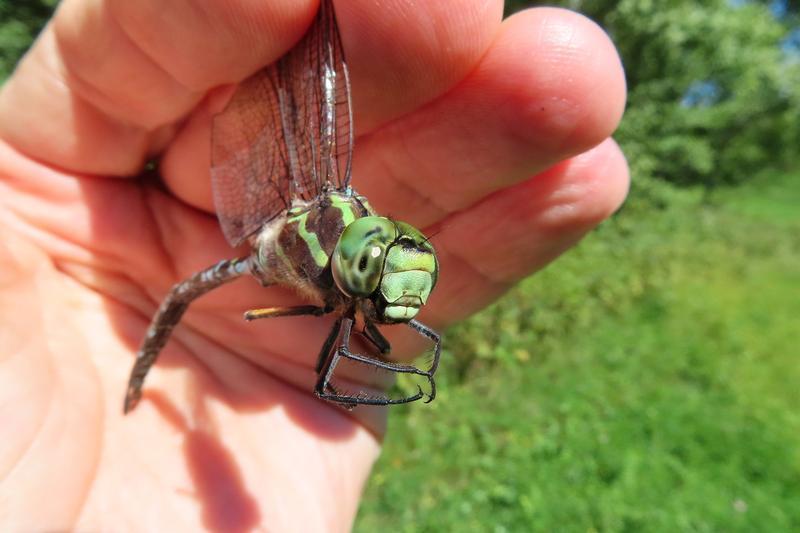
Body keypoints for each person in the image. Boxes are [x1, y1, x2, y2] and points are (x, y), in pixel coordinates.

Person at [0, 0, 628, 530]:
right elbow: (335, 370)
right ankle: (139, 384)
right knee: (323, 376)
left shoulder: (358, 264)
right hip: (263, 249)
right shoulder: (318, 209)